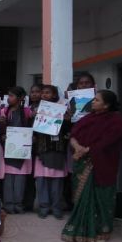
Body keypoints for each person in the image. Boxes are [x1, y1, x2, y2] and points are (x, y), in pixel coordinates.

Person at [62, 90, 122, 242]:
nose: (93, 102)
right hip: (81, 162)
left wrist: (86, 150)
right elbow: (74, 134)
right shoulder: (88, 118)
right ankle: (80, 229)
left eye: (97, 100)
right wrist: (77, 147)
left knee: (101, 197)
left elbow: (108, 142)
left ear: (106, 105)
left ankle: (102, 230)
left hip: (102, 164)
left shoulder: (116, 121)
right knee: (82, 197)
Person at [34, 84, 69, 220]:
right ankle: (44, 207)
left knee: (57, 181)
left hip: (57, 150)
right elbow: (31, 130)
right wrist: (33, 117)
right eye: (42, 92)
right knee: (42, 180)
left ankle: (56, 207)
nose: (44, 95)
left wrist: (66, 120)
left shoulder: (62, 109)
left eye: (47, 92)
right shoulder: (35, 109)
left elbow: (66, 130)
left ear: (54, 95)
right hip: (42, 150)